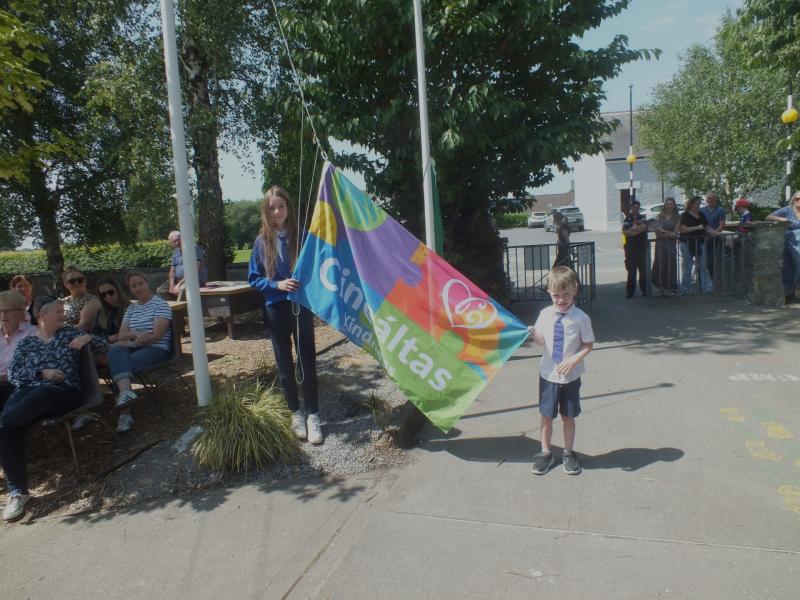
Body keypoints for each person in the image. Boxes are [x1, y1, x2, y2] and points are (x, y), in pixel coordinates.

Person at [1, 296, 107, 521]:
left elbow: (105, 346)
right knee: (9, 429)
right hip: (28, 392)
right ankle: (18, 492)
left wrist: (88, 336)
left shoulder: (70, 333)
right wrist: (42, 373)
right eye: (58, 311)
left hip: (63, 392)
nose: (63, 315)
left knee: (20, 411)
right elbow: (13, 374)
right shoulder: (27, 343)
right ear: (42, 316)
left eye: (63, 311)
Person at [248, 185, 322, 445]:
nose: (277, 212)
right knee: (284, 364)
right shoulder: (261, 242)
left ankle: (313, 414)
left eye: (281, 206)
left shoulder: (302, 236)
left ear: (288, 208)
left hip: (300, 306)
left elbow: (317, 268)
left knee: (307, 360)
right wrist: (276, 284)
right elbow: (253, 278)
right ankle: (295, 413)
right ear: (266, 212)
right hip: (275, 308)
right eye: (272, 208)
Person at [529, 266, 594, 475]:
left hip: (570, 377)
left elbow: (588, 345)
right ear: (549, 292)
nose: (561, 300)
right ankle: (545, 452)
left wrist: (573, 360)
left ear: (575, 290)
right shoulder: (545, 314)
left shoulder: (581, 318)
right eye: (556, 295)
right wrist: (533, 332)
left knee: (568, 416)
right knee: (546, 416)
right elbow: (541, 341)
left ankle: (568, 452)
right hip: (548, 374)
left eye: (566, 294)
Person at [107, 272, 173, 433]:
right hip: (136, 345)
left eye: (140, 283)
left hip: (157, 348)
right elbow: (121, 335)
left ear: (147, 283)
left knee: (120, 366)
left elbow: (157, 335)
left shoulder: (160, 304)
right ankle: (126, 394)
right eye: (133, 286)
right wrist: (136, 334)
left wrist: (136, 339)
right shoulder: (132, 308)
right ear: (130, 289)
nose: (137, 288)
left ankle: (125, 414)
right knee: (115, 350)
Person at [0, 292, 36, 408]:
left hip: (18, 386)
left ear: (21, 313)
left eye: (8, 311)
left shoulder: (33, 334)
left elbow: (31, 369)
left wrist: (4, 377)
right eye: (0, 311)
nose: (3, 315)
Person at [766, 190, 800, 302]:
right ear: (794, 200)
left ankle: (792, 290)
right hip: (791, 241)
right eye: (797, 199)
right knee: (792, 266)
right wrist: (784, 219)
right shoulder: (787, 210)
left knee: (791, 266)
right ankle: (792, 290)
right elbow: (769, 217)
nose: (799, 201)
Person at [158, 230, 209, 300]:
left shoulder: (193, 248)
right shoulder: (175, 252)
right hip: (178, 280)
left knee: (182, 289)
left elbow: (195, 270)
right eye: (174, 241)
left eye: (178, 240)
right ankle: (175, 305)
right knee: (161, 290)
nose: (176, 243)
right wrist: (171, 284)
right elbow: (172, 271)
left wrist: (179, 284)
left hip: (194, 279)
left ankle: (183, 306)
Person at [679, 196, 711, 294]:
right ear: (691, 204)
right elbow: (683, 229)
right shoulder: (684, 215)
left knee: (703, 265)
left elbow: (707, 228)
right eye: (697, 204)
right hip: (686, 243)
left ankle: (706, 288)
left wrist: (718, 233)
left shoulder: (701, 215)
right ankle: (685, 289)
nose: (698, 205)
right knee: (688, 266)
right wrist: (697, 227)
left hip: (700, 242)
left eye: (699, 204)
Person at [651, 197, 680, 295]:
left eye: (671, 204)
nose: (669, 206)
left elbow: (675, 234)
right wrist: (668, 233)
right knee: (661, 264)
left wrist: (663, 231)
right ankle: (661, 287)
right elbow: (657, 232)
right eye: (667, 204)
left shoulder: (677, 217)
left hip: (671, 244)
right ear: (665, 205)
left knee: (671, 264)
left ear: (674, 206)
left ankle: (672, 287)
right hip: (660, 244)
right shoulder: (659, 216)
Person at [622, 200, 648, 298]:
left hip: (642, 247)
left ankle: (645, 290)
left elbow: (644, 227)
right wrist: (638, 230)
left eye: (637, 207)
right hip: (630, 248)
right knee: (631, 270)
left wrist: (633, 229)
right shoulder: (627, 219)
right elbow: (625, 232)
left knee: (643, 270)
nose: (635, 209)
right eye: (634, 207)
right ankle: (630, 292)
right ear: (631, 208)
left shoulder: (643, 217)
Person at [92, 277, 129, 344]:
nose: (108, 296)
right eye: (103, 295)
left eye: (111, 292)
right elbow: (94, 333)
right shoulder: (101, 312)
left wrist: (119, 336)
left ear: (118, 290)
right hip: (104, 345)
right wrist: (107, 338)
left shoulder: (131, 309)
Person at [700, 191, 726, 286]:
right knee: (701, 259)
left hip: (715, 239)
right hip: (702, 238)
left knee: (712, 259)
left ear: (716, 199)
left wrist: (712, 234)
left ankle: (712, 279)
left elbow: (721, 225)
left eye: (712, 198)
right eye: (709, 198)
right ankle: (703, 280)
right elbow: (700, 224)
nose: (710, 200)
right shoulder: (701, 210)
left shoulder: (721, 210)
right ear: (706, 199)